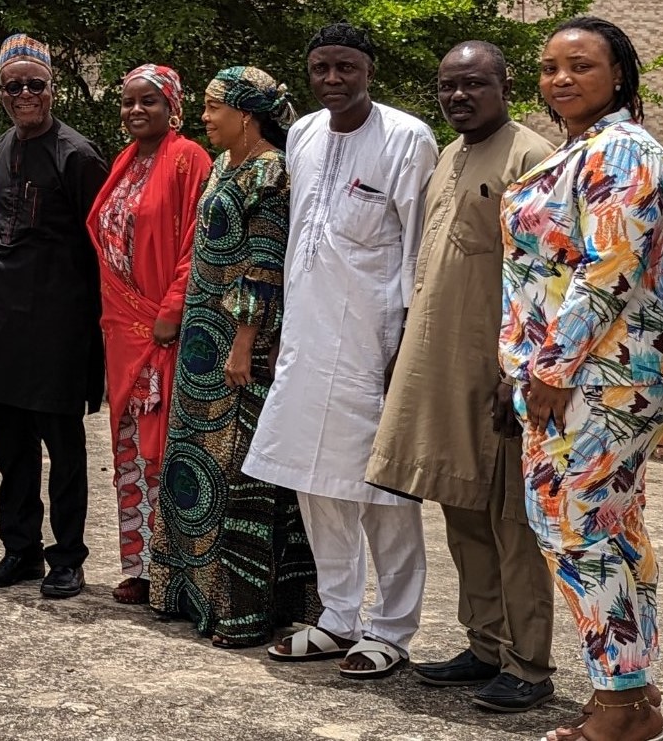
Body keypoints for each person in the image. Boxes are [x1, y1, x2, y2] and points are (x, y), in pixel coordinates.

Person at [505, 17, 663, 741]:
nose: (560, 78)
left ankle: (614, 706)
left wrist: (549, 367)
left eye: (579, 65)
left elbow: (607, 269)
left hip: (595, 380)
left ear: (619, 74)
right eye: (548, 67)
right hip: (585, 377)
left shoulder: (625, 150)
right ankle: (632, 696)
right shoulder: (582, 151)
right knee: (610, 531)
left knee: (574, 534)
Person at [249, 23, 437, 680]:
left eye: (345, 67)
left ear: (368, 70)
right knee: (313, 482)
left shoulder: (407, 139)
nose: (332, 78)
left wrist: (407, 351)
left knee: (381, 491)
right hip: (306, 339)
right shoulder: (301, 135)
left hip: (372, 344)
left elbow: (419, 252)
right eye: (321, 67)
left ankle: (390, 627)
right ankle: (337, 616)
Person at [376, 42, 558, 713]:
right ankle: (483, 643)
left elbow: (545, 279)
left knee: (511, 522)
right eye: (447, 85)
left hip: (501, 375)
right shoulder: (446, 158)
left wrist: (524, 371)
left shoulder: (529, 157)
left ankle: (528, 665)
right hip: (440, 368)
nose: (458, 96)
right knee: (460, 512)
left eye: (473, 84)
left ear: (504, 86)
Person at [145, 67, 318, 649]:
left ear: (246, 114)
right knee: (195, 462)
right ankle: (188, 595)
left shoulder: (272, 171)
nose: (204, 117)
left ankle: (241, 609)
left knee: (237, 470)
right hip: (200, 338)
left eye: (214, 107)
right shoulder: (224, 165)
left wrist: (245, 344)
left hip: (240, 345)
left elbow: (264, 266)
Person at [0, 33, 108, 597]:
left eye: (34, 84)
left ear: (52, 88)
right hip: (0, 324)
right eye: (13, 86)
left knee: (63, 451)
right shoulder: (0, 148)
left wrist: (94, 335)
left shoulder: (79, 155)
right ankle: (19, 549)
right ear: (0, 93)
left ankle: (67, 556)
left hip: (58, 327)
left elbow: (102, 248)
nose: (24, 94)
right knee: (10, 448)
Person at [83, 63, 212, 605]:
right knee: (129, 450)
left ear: (172, 107)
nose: (136, 111)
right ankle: (138, 565)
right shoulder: (124, 162)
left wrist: (173, 308)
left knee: (166, 449)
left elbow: (195, 243)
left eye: (149, 102)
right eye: (129, 102)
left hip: (163, 329)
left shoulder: (190, 160)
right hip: (121, 332)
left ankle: (176, 572)